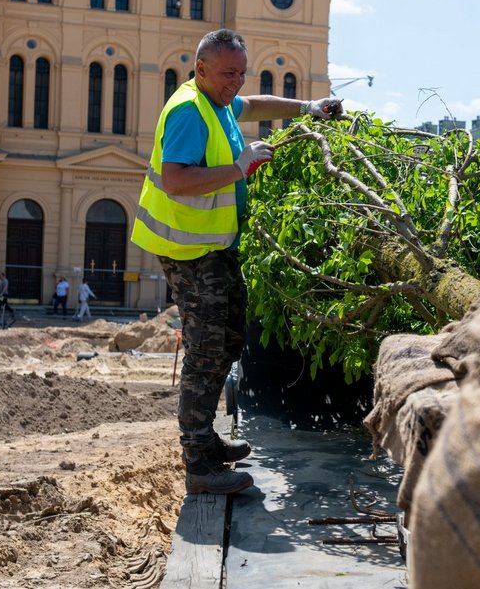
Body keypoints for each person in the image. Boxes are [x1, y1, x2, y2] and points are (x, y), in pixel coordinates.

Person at [131, 28, 342, 495]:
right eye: (228, 74)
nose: (236, 83)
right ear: (201, 68)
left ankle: (206, 441)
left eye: (241, 73)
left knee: (228, 337)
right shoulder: (190, 110)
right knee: (206, 355)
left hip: (214, 244)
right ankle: (199, 466)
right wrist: (240, 167)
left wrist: (306, 109)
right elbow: (177, 181)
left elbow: (255, 105)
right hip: (189, 250)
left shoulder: (219, 100)